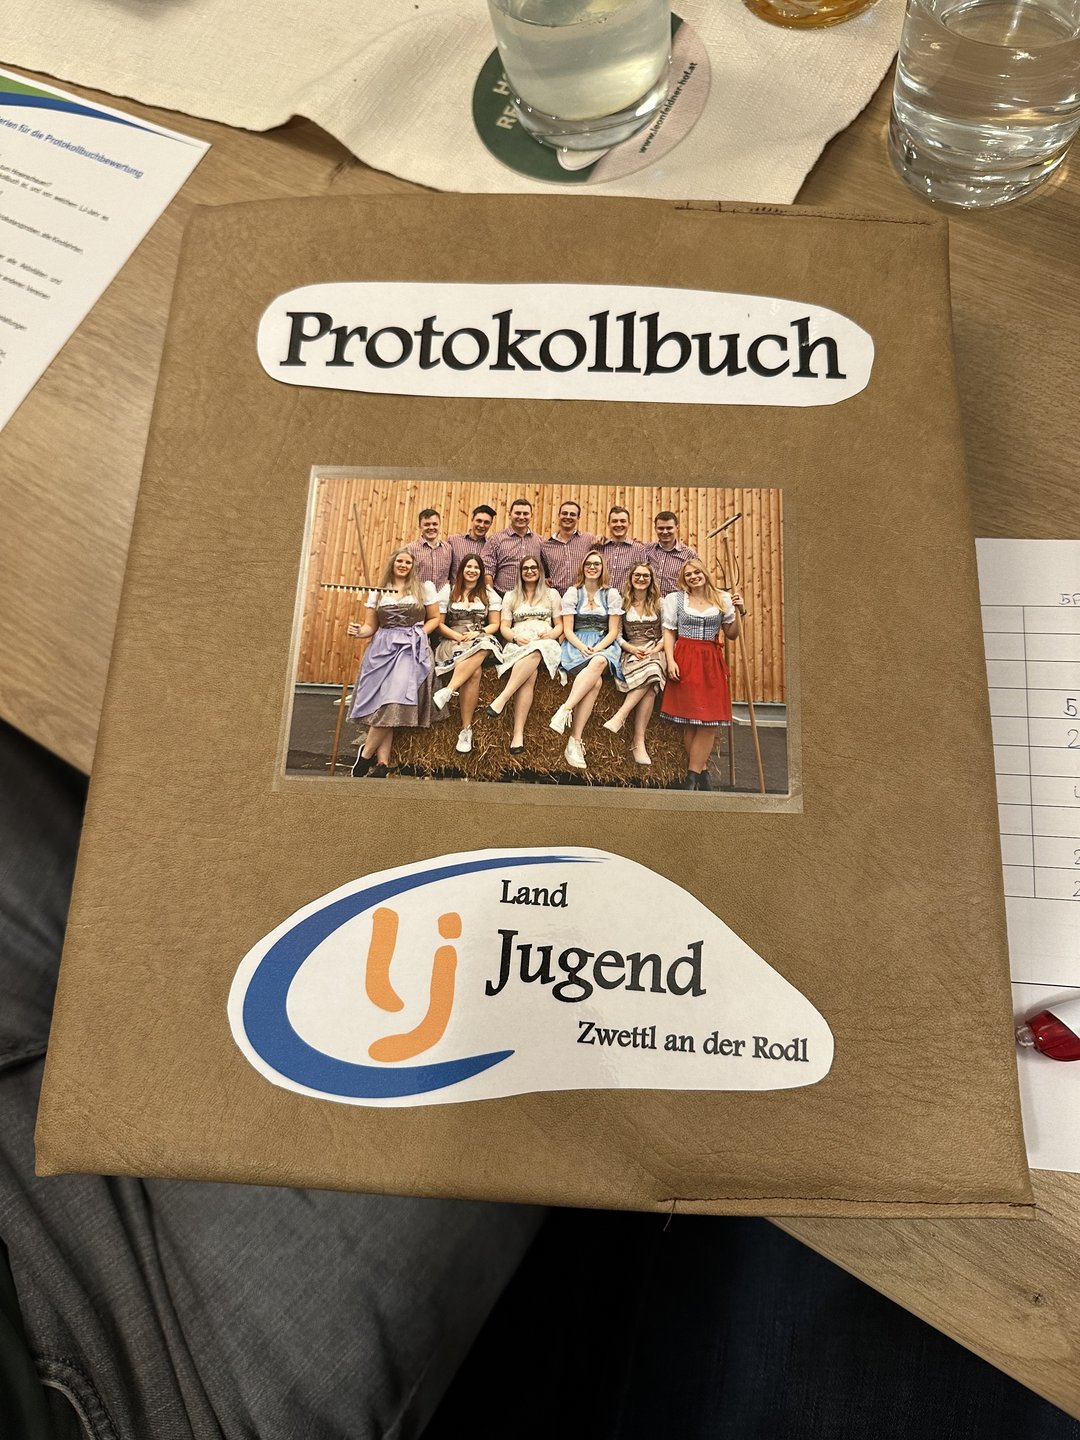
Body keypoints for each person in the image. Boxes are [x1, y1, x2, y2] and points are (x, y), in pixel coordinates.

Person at [347, 549, 441, 776]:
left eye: (408, 562)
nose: (403, 565)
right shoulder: (378, 591)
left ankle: (365, 754)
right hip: (382, 650)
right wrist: (358, 631)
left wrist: (418, 635)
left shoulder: (424, 588)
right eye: (400, 561)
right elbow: (371, 627)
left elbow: (435, 618)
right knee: (383, 704)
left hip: (410, 649)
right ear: (392, 563)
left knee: (394, 699)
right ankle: (382, 763)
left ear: (413, 566)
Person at [660, 560, 742, 790]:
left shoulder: (722, 598)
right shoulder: (675, 599)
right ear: (683, 579)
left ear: (705, 573)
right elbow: (669, 632)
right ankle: (701, 775)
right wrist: (670, 660)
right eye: (688, 574)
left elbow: (732, 634)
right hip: (685, 657)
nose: (693, 577)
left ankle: (692, 776)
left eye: (697, 572)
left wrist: (739, 612)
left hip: (711, 660)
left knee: (709, 722)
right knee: (690, 721)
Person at [549, 552, 623, 771]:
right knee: (596, 682)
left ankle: (565, 709)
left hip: (603, 645)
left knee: (599, 662)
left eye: (596, 564)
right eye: (588, 564)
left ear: (602, 568)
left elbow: (613, 631)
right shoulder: (574, 593)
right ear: (582, 567)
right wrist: (582, 647)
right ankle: (575, 740)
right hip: (577, 645)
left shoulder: (611, 594)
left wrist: (597, 649)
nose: (592, 567)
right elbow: (568, 630)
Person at [484, 557, 563, 754]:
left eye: (533, 568)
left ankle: (502, 698)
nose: (529, 571)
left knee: (537, 650)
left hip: (544, 643)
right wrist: (514, 638)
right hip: (519, 642)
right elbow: (504, 626)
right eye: (525, 568)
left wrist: (551, 634)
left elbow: (560, 624)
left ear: (540, 571)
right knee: (530, 674)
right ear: (520, 572)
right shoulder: (511, 596)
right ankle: (517, 735)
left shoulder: (552, 594)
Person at [431, 555, 503, 755]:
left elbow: (495, 624)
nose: (472, 570)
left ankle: (448, 690)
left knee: (486, 643)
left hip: (478, 638)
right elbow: (439, 623)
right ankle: (466, 729)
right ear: (461, 569)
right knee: (475, 672)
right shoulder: (449, 591)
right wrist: (455, 635)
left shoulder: (488, 594)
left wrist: (479, 632)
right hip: (453, 640)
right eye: (468, 567)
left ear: (481, 572)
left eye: (476, 568)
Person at [604, 561, 666, 767]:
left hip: (655, 650)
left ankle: (622, 716)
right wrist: (630, 649)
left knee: (654, 668)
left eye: (645, 576)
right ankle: (638, 742)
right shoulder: (623, 603)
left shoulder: (660, 603)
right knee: (651, 686)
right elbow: (617, 635)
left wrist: (655, 649)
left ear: (651, 580)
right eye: (637, 575)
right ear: (631, 579)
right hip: (631, 650)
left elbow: (667, 633)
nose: (641, 579)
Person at [481, 498, 543, 594]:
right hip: (502, 595)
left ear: (531, 516)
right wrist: (492, 596)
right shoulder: (496, 540)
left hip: (533, 597)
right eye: (517, 513)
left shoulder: (539, 541)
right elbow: (487, 571)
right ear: (510, 515)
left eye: (525, 514)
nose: (521, 517)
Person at [539, 500, 599, 594]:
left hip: (582, 596)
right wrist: (545, 579)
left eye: (572, 514)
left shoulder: (588, 539)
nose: (568, 517)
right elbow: (543, 573)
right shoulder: (546, 546)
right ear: (559, 516)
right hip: (557, 597)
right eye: (564, 513)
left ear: (578, 518)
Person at [597, 505, 648, 595]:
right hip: (600, 600)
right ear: (608, 524)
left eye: (623, 521)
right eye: (614, 521)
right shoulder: (599, 547)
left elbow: (644, 578)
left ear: (629, 524)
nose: (619, 524)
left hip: (626, 600)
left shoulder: (639, 549)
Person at [646, 511, 699, 596]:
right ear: (655, 529)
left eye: (669, 528)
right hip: (651, 601)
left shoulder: (689, 554)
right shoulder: (647, 550)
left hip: (677, 602)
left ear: (677, 528)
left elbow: (699, 580)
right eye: (661, 528)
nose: (665, 532)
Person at [447, 503, 497, 584]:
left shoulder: (492, 546)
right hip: (455, 590)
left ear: (491, 524)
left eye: (486, 522)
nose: (482, 525)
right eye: (479, 521)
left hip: (480, 591)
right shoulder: (453, 541)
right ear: (472, 519)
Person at [407, 507, 452, 589]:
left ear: (439, 525)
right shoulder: (410, 549)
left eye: (435, 524)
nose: (431, 527)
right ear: (420, 526)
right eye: (427, 524)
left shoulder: (448, 549)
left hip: (442, 596)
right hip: (418, 595)